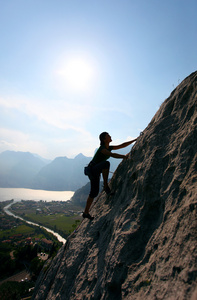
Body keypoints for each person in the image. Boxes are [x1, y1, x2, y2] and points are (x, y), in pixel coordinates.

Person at [83, 132, 137, 220]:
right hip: (93, 170)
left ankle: (86, 213)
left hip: (95, 170)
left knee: (94, 192)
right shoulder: (103, 149)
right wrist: (124, 156)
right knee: (106, 164)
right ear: (104, 139)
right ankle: (105, 185)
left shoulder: (109, 147)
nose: (110, 136)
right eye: (108, 136)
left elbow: (121, 145)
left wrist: (134, 140)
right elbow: (112, 155)